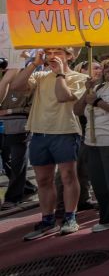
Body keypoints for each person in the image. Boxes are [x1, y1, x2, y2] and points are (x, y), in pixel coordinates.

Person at [9, 48, 89, 239]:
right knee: (43, 180)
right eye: (49, 52)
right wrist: (34, 64)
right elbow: (16, 86)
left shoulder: (79, 77)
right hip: (39, 132)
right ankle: (47, 219)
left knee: (68, 176)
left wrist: (60, 72)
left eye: (58, 52)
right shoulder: (41, 75)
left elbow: (63, 97)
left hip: (65, 131)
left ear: (69, 56)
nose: (52, 56)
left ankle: (70, 217)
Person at [73, 57, 109, 234]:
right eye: (105, 67)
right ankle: (106, 218)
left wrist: (98, 103)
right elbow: (76, 111)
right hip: (92, 142)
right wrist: (87, 92)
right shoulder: (98, 88)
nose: (108, 70)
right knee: (100, 185)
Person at [0, 60, 36, 209]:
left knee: (17, 161)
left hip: (19, 127)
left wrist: (9, 111)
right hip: (3, 127)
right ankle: (27, 187)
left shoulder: (31, 83)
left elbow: (33, 108)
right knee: (6, 160)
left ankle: (14, 197)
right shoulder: (3, 81)